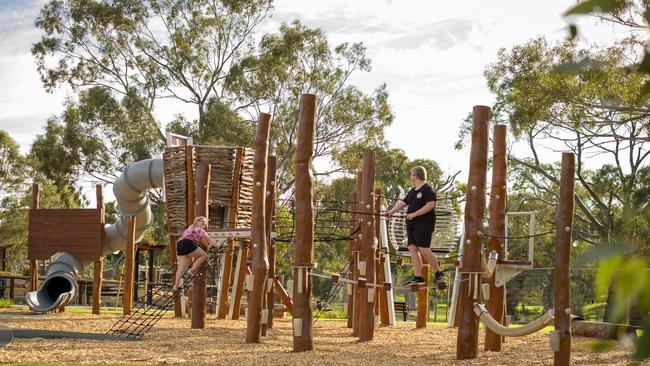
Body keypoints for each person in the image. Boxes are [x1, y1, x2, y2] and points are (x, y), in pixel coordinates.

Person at [385, 166, 445, 285]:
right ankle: (418, 277)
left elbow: (430, 205)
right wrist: (391, 211)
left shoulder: (428, 189)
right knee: (412, 248)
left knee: (424, 249)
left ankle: (438, 273)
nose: (410, 176)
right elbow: (404, 202)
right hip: (411, 223)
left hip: (424, 223)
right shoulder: (413, 190)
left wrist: (415, 214)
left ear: (416, 175)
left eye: (411, 174)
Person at [172, 216, 218, 292]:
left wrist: (208, 246)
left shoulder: (191, 227)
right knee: (204, 255)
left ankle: (176, 286)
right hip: (187, 243)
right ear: (196, 222)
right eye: (201, 222)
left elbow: (203, 240)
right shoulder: (199, 229)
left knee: (181, 268)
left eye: (204, 224)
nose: (203, 224)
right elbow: (207, 239)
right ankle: (192, 269)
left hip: (179, 245)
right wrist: (217, 245)